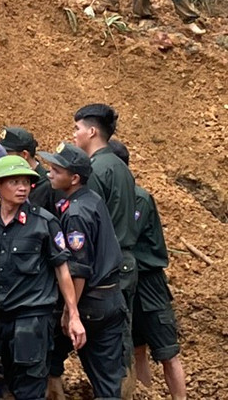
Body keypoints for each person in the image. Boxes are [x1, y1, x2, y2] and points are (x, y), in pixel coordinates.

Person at [0, 155, 86, 400]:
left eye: (26, 182)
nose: (22, 188)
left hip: (31, 320)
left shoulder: (44, 223)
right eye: (14, 182)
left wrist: (73, 314)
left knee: (30, 390)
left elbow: (62, 269)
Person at [40, 143, 128, 400]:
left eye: (57, 171)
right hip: (112, 296)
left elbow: (79, 269)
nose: (50, 174)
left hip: (89, 302)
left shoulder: (76, 213)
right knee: (108, 383)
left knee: (47, 352)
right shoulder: (92, 199)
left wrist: (71, 312)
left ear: (74, 178)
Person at [107, 142, 186, 400]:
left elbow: (124, 235)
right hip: (126, 281)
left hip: (148, 282)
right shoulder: (116, 197)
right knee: (136, 348)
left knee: (167, 351)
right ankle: (145, 394)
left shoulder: (137, 197)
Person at [73, 102, 139, 397]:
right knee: (120, 342)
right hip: (126, 261)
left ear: (92, 131)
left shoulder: (96, 169)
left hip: (106, 267)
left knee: (109, 352)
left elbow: (91, 221)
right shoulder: (120, 166)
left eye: (77, 128)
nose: (74, 134)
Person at [0, 125, 55, 210]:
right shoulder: (5, 181)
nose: (2, 158)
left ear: (24, 155)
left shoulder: (48, 186)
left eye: (7, 154)